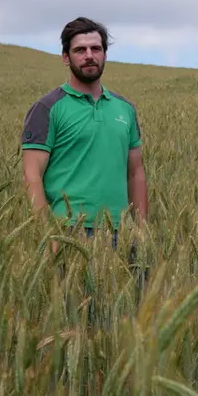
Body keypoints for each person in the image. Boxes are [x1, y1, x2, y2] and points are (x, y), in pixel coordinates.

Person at [20, 17, 147, 246]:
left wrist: (142, 229)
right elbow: (32, 175)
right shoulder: (47, 108)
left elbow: (135, 172)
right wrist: (47, 235)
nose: (89, 55)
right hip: (68, 232)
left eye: (96, 48)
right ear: (65, 58)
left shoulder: (125, 109)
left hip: (122, 231)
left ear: (105, 55)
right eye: (80, 50)